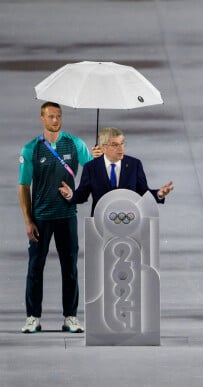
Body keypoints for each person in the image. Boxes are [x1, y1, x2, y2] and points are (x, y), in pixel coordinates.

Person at [18, 102, 96, 334]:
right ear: (42, 118)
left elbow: (93, 172)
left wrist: (97, 157)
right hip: (41, 217)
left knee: (70, 267)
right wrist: (27, 220)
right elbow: (23, 186)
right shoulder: (31, 149)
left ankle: (70, 317)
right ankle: (33, 317)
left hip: (66, 216)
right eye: (51, 116)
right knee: (35, 267)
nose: (55, 120)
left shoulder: (74, 144)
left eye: (58, 116)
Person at [59, 127, 174, 215]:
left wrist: (159, 194)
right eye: (115, 145)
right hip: (100, 223)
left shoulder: (134, 165)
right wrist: (71, 195)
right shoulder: (91, 167)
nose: (121, 148)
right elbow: (82, 195)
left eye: (122, 143)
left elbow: (143, 193)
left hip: (129, 221)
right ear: (103, 148)